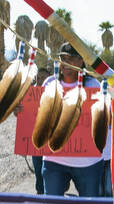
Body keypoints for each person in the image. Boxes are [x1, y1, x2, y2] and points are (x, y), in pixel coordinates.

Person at [41, 43, 103, 196]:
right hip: (54, 161)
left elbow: (101, 120)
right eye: (63, 58)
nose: (66, 62)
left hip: (87, 163)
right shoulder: (49, 83)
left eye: (71, 59)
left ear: (81, 61)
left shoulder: (93, 85)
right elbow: (37, 116)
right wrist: (22, 113)